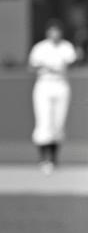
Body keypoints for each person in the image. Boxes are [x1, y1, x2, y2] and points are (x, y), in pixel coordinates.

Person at [28, 19, 80, 172]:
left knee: (58, 122)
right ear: (47, 32)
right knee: (44, 121)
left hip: (61, 84)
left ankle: (54, 159)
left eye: (57, 31)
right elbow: (31, 66)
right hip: (44, 84)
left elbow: (74, 62)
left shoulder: (66, 47)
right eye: (52, 31)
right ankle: (43, 159)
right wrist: (46, 67)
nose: (55, 34)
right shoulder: (40, 48)